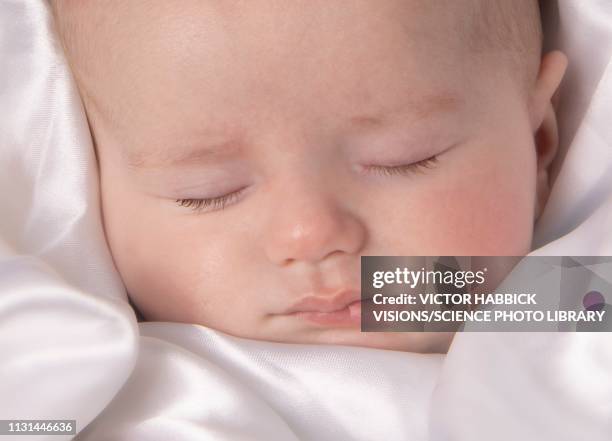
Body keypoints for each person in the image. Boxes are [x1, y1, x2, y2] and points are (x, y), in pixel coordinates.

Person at [49, 0, 567, 353]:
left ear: (538, 140)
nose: (310, 234)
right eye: (207, 192)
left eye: (403, 158)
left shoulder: (562, 303)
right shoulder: (109, 380)